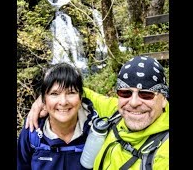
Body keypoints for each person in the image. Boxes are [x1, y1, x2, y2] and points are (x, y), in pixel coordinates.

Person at [26, 56, 169, 170]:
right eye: (125, 92)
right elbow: (79, 92)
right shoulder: (118, 111)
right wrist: (43, 100)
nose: (134, 102)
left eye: (146, 94)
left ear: (163, 99)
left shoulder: (164, 152)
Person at [17, 62, 117, 170]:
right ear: (43, 100)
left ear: (80, 98)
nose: (63, 102)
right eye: (54, 94)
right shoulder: (32, 133)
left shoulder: (97, 133)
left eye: (71, 93)